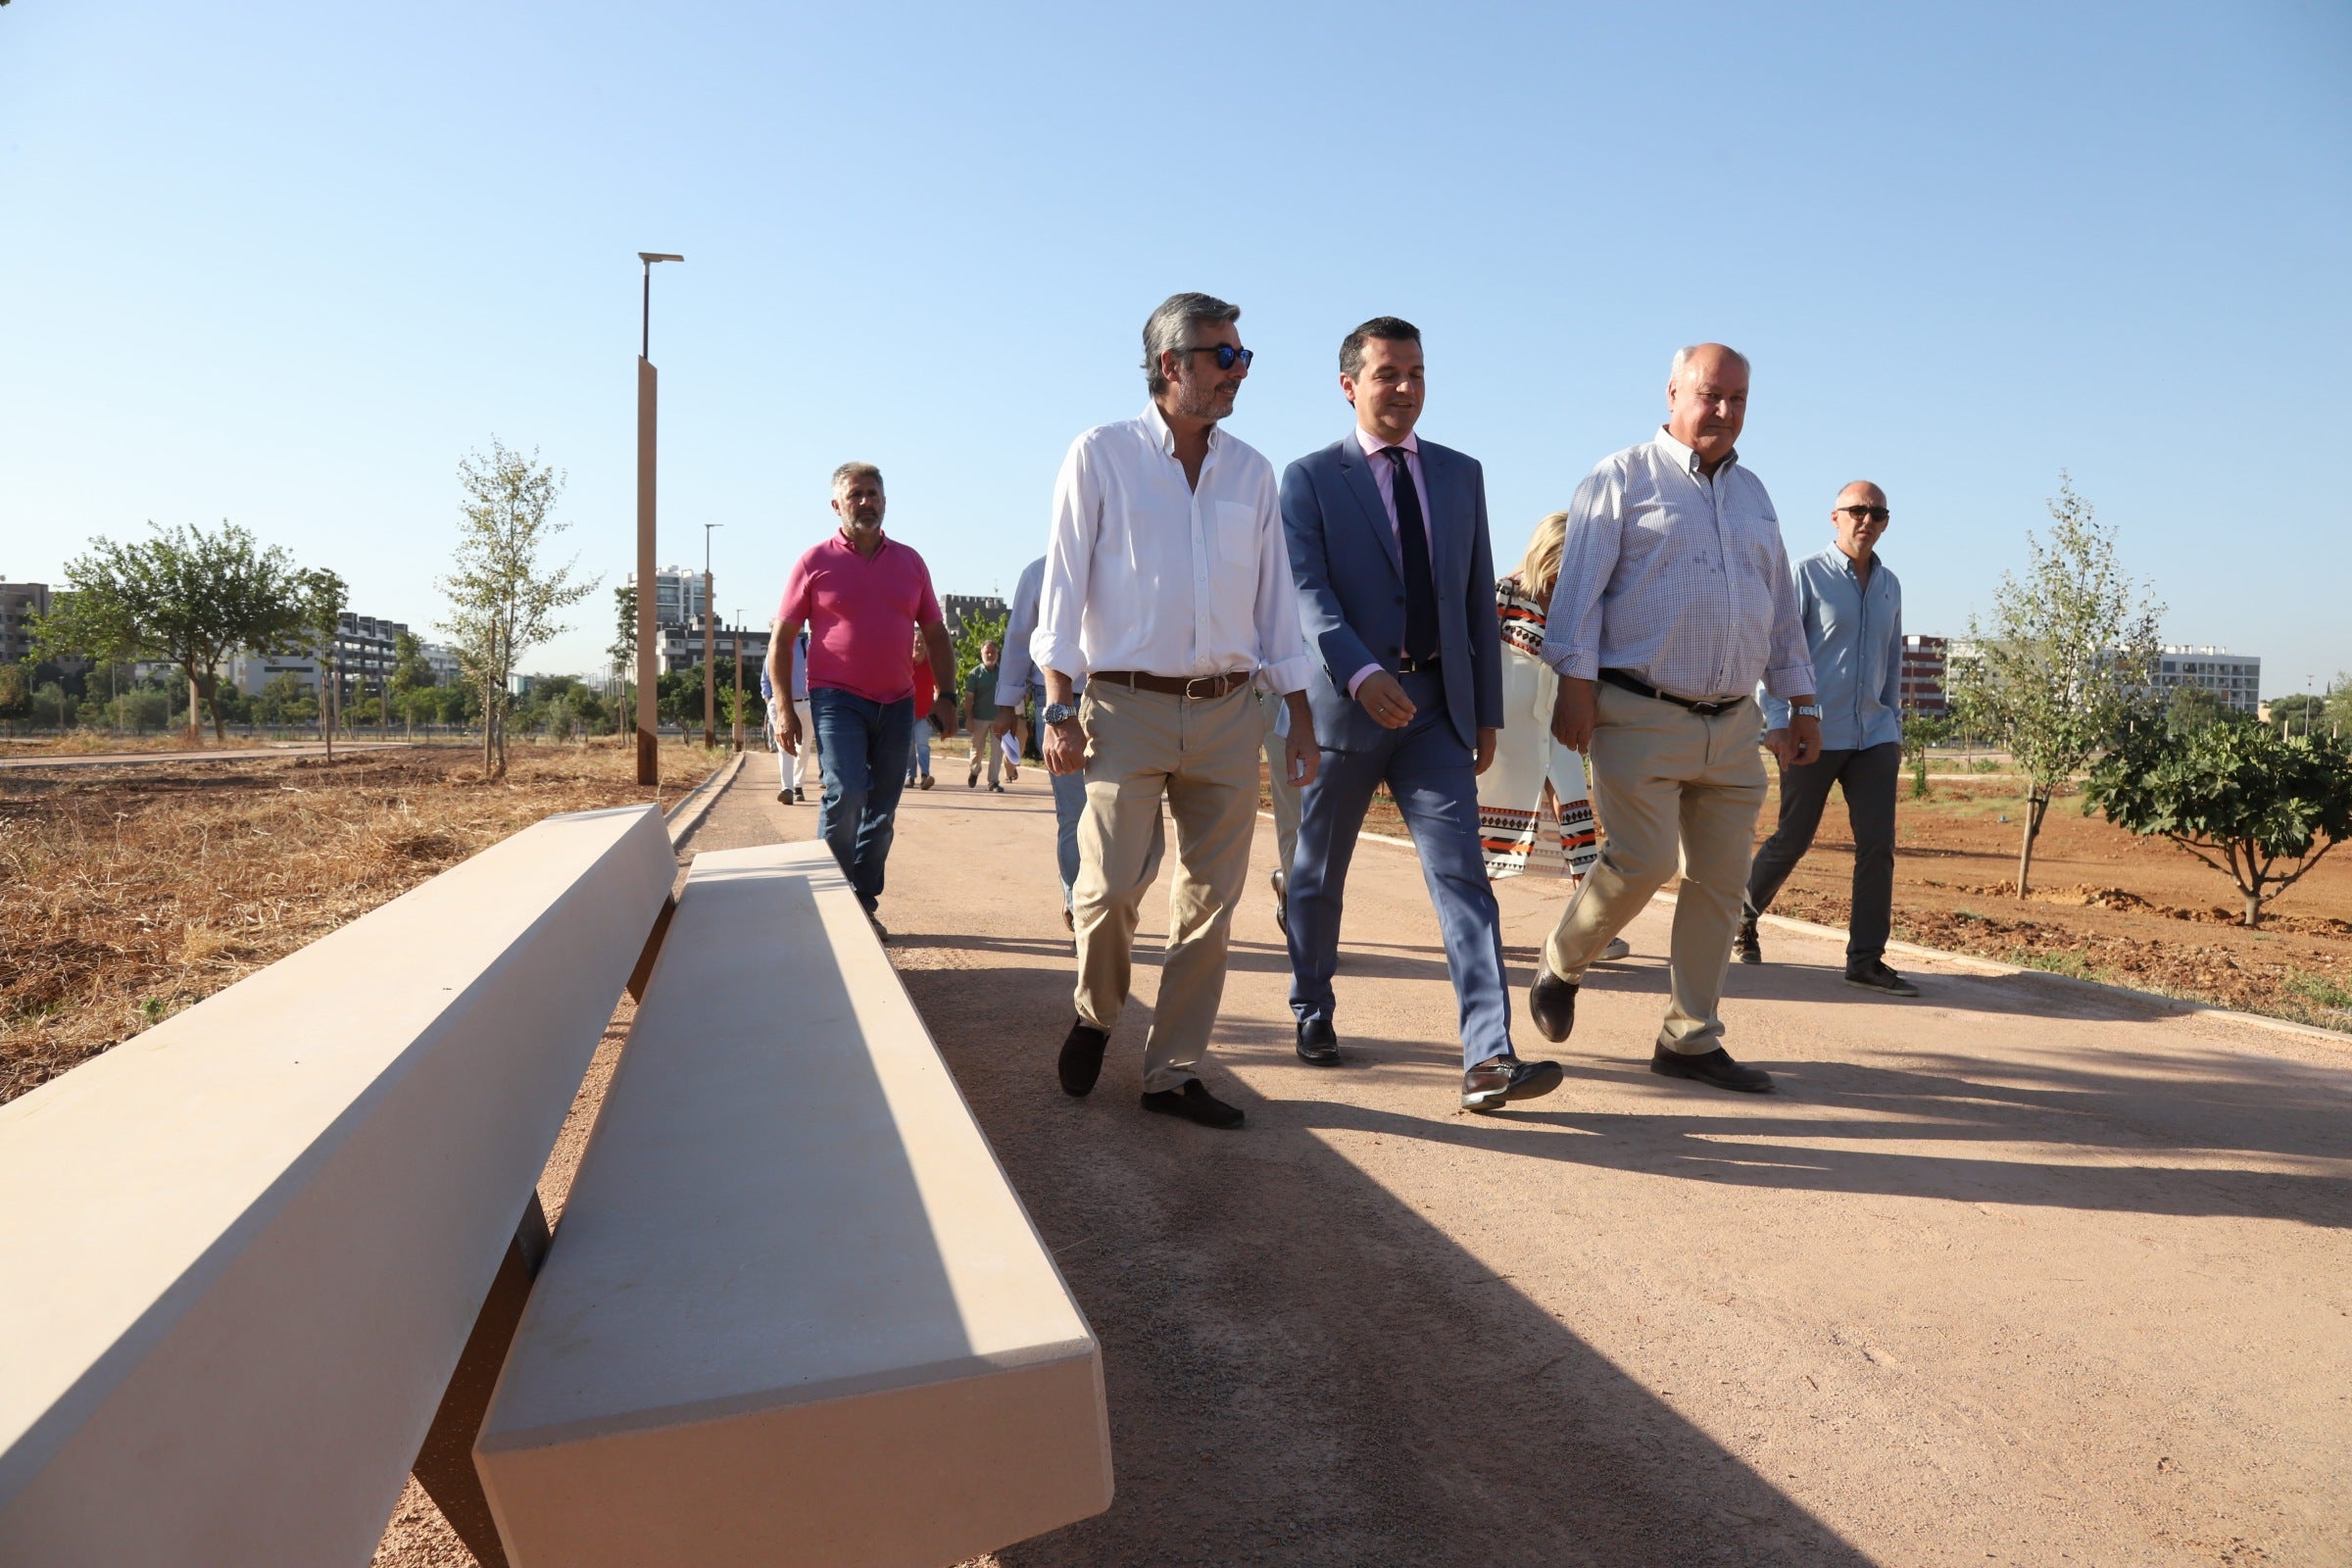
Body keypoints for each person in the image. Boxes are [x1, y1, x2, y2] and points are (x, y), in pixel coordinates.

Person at [1035, 291, 1319, 1131]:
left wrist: (1300, 715)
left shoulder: (1252, 472)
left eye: (1243, 357)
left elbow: (1276, 610)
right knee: (1109, 886)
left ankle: (1174, 1070)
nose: (1239, 371)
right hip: (1124, 707)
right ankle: (1096, 1010)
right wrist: (1057, 708)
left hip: (1231, 713)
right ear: (1173, 366)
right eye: (1224, 356)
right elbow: (1064, 587)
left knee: (1209, 903)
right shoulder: (1101, 456)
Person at [1280, 316, 1560, 1112]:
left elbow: (1476, 599)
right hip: (1346, 712)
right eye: (1387, 374)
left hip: (1437, 711)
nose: (1405, 388)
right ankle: (1312, 1008)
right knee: (1315, 876)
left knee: (1465, 880)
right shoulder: (1307, 479)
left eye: (1417, 373)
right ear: (1349, 386)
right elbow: (1307, 594)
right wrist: (1361, 671)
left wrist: (1483, 713)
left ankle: (1488, 1056)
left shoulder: (1460, 474)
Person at [1528, 344, 1820, 1095]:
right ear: (1672, 392)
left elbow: (1778, 609)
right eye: (1709, 394)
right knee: (1645, 860)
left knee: (1722, 882)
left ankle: (1689, 1038)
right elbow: (1579, 594)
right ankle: (1563, 959)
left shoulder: (1755, 494)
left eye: (1738, 400)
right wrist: (1574, 687)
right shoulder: (1621, 478)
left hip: (1733, 723)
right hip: (1640, 710)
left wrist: (1800, 701)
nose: (1723, 411)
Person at [1739, 482, 1918, 995]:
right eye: (1857, 511)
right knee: (1793, 838)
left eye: (1878, 513)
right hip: (1810, 731)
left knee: (1878, 845)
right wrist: (1777, 720)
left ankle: (1865, 959)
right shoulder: (1804, 576)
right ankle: (1742, 916)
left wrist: (1895, 727)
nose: (1867, 520)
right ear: (1835, 517)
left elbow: (1892, 663)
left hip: (1874, 734)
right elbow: (1776, 652)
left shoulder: (1891, 586)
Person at [768, 463, 960, 937]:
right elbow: (782, 639)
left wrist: (948, 694)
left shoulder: (911, 563)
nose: (866, 502)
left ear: (885, 502)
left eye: (873, 493)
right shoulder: (814, 562)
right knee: (847, 790)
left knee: (883, 807)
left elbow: (935, 634)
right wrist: (783, 706)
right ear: (837, 505)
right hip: (836, 699)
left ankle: (861, 901)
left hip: (897, 702)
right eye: (856, 494)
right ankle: (828, 903)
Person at [1477, 512, 1629, 959]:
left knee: (1577, 825)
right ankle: (1477, 926)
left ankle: (1591, 933)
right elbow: (1474, 662)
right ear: (1545, 554)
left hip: (1557, 732)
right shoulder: (1502, 594)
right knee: (1488, 828)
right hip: (1502, 738)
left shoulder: (1580, 609)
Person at [997, 554, 1094, 946]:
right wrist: (1006, 705)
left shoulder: (1126, 559)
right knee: (1073, 810)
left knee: (1117, 813)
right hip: (1055, 699)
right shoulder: (1038, 573)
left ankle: (1105, 902)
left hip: (1120, 698)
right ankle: (1078, 903)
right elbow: (1018, 640)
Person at [1259, 689, 1300, 933]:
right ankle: (1307, 925)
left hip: (1352, 700)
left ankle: (1289, 881)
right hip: (1286, 701)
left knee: (1337, 826)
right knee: (1297, 817)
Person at [763, 631, 816, 804]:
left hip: (806, 703)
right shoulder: (773, 648)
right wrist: (769, 700)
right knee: (784, 745)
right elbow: (765, 680)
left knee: (804, 746)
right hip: (779, 705)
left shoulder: (806, 646)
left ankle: (798, 785)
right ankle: (787, 788)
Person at [964, 639, 1006, 791]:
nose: (990, 654)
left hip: (998, 719)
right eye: (987, 652)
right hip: (979, 718)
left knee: (997, 751)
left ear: (998, 654)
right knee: (977, 750)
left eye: (993, 652)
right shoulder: (975, 674)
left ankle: (993, 782)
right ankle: (974, 771)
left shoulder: (1003, 673)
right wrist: (968, 718)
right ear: (981, 653)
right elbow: (969, 698)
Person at [905, 623, 937, 790]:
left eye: (922, 642)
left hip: (925, 713)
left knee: (922, 744)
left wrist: (938, 705)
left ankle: (925, 775)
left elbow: (938, 687)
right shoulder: (905, 663)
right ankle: (910, 776)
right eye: (917, 641)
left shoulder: (932, 665)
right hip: (906, 712)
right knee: (909, 746)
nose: (919, 644)